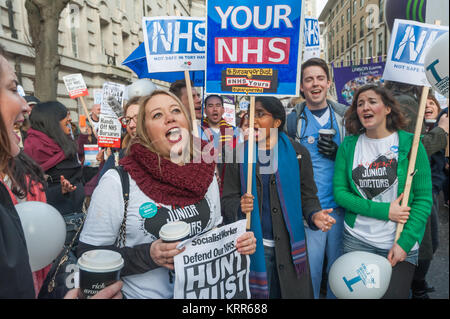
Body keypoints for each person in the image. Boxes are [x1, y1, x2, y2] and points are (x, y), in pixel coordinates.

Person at [78, 90, 256, 299]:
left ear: (187, 122)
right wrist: (149, 255)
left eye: (175, 110)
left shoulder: (206, 169)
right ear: (144, 131)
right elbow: (88, 256)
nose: (170, 117)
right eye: (157, 115)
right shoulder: (118, 181)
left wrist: (236, 243)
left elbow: (214, 230)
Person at [0, 44, 122, 299]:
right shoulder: (32, 148)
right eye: (13, 89)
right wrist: (57, 189)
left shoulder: (32, 158)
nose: (25, 107)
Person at [222, 96, 336, 299]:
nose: (251, 120)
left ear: (276, 122)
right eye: (249, 115)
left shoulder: (299, 153)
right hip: (254, 247)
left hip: (290, 249)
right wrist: (239, 206)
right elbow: (226, 200)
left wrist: (314, 215)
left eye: (260, 114)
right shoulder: (236, 155)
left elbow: (308, 196)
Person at [333, 85, 432, 299]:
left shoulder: (412, 144)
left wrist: (405, 243)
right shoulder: (349, 145)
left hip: (398, 242)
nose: (365, 107)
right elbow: (340, 193)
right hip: (357, 239)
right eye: (360, 104)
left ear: (387, 108)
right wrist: (385, 211)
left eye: (372, 101)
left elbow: (423, 199)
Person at [285, 58, 348, 299]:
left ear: (328, 82)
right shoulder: (293, 122)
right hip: (309, 212)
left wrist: (339, 153)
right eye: (309, 79)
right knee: (309, 273)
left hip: (341, 209)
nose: (315, 83)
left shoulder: (345, 119)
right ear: (302, 86)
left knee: (338, 272)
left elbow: (358, 158)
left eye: (320, 78)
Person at [411, 94, 447, 299]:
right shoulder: (418, 132)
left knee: (432, 242)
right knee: (425, 243)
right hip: (423, 192)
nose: (427, 107)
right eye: (423, 104)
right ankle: (417, 285)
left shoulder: (442, 129)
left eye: (431, 103)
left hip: (435, 190)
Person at [24, 101, 85, 221]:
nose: (69, 119)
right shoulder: (32, 148)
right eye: (65, 115)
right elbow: (28, 193)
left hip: (75, 216)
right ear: (53, 121)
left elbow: (79, 175)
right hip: (49, 220)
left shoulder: (65, 142)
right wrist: (59, 190)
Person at [202, 94, 239, 194]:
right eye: (210, 106)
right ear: (205, 111)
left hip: (229, 183)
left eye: (218, 105)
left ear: (222, 110)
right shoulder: (198, 131)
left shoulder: (234, 131)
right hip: (205, 183)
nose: (215, 109)